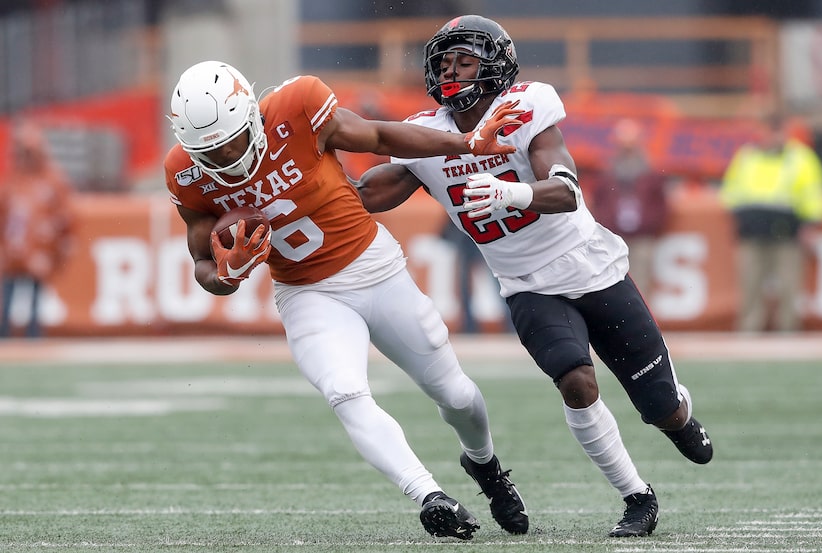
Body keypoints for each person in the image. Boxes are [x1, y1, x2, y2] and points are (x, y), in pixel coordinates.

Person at [356, 15, 713, 538]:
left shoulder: (525, 109)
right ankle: (637, 495)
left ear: (496, 66)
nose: (452, 71)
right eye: (444, 61)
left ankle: (678, 411)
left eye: (465, 60)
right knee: (575, 380)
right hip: (527, 285)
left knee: (660, 409)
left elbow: (566, 191)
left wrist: (513, 192)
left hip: (592, 269)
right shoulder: (427, 136)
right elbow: (367, 194)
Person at [163, 60, 528, 540]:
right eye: (211, 151)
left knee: (456, 394)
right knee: (344, 392)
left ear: (251, 114)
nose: (227, 157)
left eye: (231, 140)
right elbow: (203, 263)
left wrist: (464, 142)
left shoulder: (299, 106)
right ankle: (430, 496)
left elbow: (377, 137)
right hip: (307, 292)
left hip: (374, 266)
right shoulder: (185, 174)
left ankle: (484, 464)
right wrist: (226, 276)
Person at [720, 112, 822, 332]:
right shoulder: (747, 156)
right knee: (750, 283)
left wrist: (809, 224)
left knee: (789, 283)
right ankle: (750, 329)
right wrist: (739, 216)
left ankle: (788, 329)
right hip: (752, 229)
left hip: (786, 230)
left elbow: (812, 194)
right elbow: (730, 190)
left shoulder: (800, 158)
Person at [0, 119, 74, 338]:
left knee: (33, 305)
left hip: (38, 253)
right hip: (14, 254)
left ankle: (33, 340)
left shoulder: (52, 181)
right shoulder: (12, 182)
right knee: (7, 303)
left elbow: (65, 218)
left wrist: (54, 249)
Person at [590, 118, 669, 302]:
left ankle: (642, 325)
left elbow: (661, 202)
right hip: (614, 235)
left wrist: (651, 224)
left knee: (642, 281)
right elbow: (598, 200)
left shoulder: (650, 170)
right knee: (613, 281)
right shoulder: (608, 170)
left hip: (642, 234)